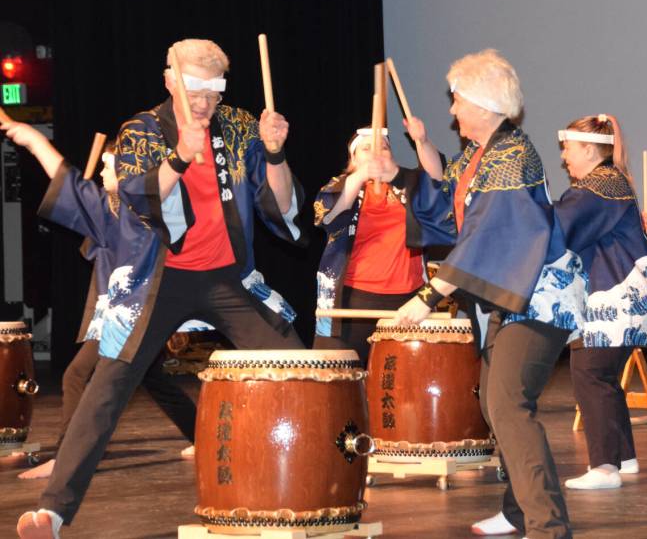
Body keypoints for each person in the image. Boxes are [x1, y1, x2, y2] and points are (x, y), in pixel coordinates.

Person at [16, 38, 306, 539]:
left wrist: (276, 155)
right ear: (170, 79)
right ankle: (55, 511)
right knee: (109, 382)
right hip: (161, 277)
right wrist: (178, 159)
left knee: (299, 367)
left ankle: (323, 486)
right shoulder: (142, 130)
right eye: (196, 89)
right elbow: (134, 199)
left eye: (215, 92)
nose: (206, 103)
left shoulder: (237, 126)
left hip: (228, 277)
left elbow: (280, 211)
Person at [393, 49, 586, 539]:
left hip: (541, 297)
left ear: (481, 103)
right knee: (495, 406)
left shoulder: (511, 157)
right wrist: (396, 174)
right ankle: (520, 510)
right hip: (511, 298)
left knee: (507, 405)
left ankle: (548, 526)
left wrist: (428, 296)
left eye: (457, 100)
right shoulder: (479, 156)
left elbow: (485, 238)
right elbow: (442, 207)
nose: (452, 109)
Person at [0, 132, 196, 480]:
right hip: (124, 310)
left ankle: (66, 459)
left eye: (109, 167)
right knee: (153, 379)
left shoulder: (139, 214)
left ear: (126, 174)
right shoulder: (115, 209)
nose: (103, 173)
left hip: (132, 312)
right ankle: (201, 436)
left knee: (76, 374)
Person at [555, 114, 647, 490]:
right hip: (625, 293)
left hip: (615, 294)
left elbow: (558, 228)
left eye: (567, 148)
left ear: (588, 148)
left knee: (591, 371)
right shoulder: (610, 182)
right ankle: (624, 456)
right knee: (606, 376)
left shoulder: (596, 187)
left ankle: (604, 467)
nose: (564, 156)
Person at [313, 121, 442, 364]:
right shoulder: (342, 185)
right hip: (352, 301)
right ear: (352, 159)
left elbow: (436, 180)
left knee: (400, 384)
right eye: (366, 149)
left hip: (407, 301)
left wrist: (422, 142)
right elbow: (329, 216)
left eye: (383, 147)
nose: (376, 153)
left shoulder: (407, 185)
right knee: (341, 383)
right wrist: (362, 174)